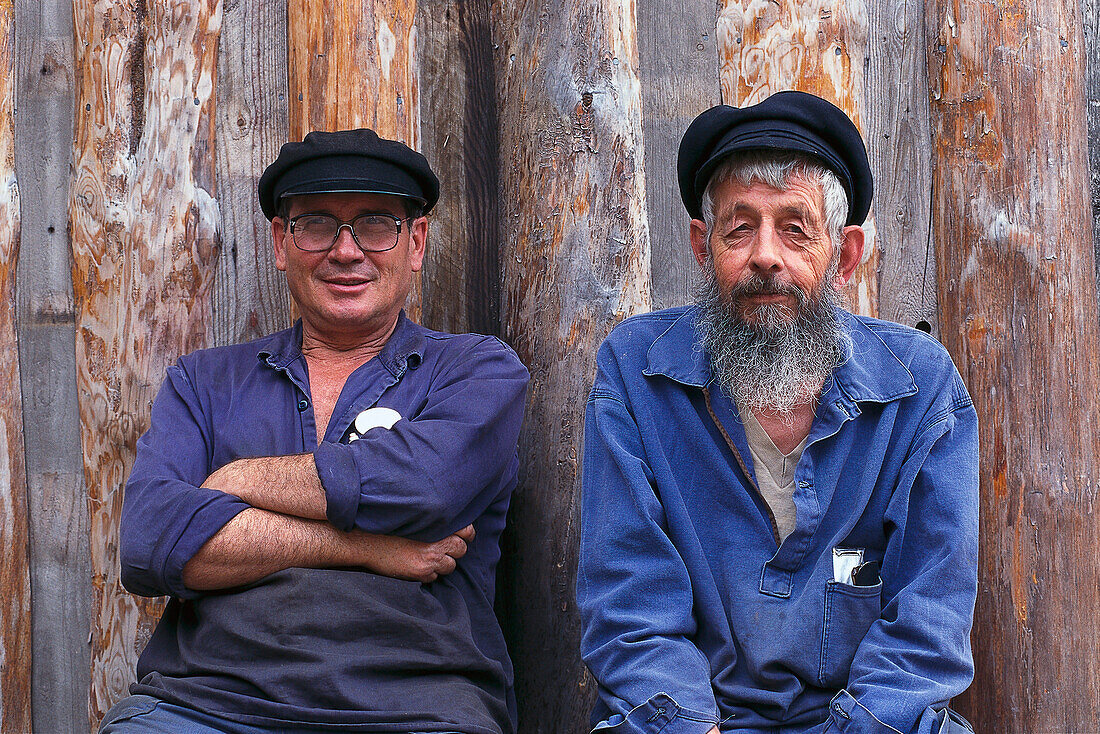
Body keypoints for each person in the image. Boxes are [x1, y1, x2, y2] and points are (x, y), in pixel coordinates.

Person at [576, 92, 978, 734]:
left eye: (795, 229)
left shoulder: (919, 386)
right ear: (703, 247)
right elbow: (630, 609)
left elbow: (927, 624)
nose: (766, 256)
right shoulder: (636, 372)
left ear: (844, 254)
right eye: (740, 229)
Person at [105, 128, 529, 734]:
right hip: (204, 709)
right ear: (281, 242)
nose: (347, 251)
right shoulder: (203, 383)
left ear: (417, 241)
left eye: (377, 223)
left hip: (415, 708)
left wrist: (235, 481)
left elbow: (426, 487)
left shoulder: (476, 370)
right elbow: (150, 539)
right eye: (318, 224)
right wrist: (370, 548)